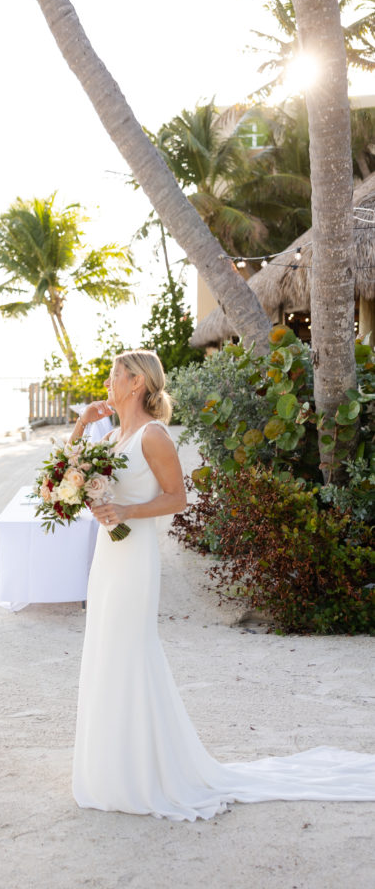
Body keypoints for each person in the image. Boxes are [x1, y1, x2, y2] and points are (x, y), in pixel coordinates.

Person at [70, 349, 375, 820]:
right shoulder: (112, 434)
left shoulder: (152, 436)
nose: (108, 381)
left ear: (136, 383)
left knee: (130, 651)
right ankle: (112, 766)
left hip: (134, 557)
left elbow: (177, 498)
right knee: (105, 651)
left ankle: (145, 772)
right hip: (108, 558)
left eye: (115, 374)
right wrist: (83, 424)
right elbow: (70, 478)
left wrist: (128, 511)